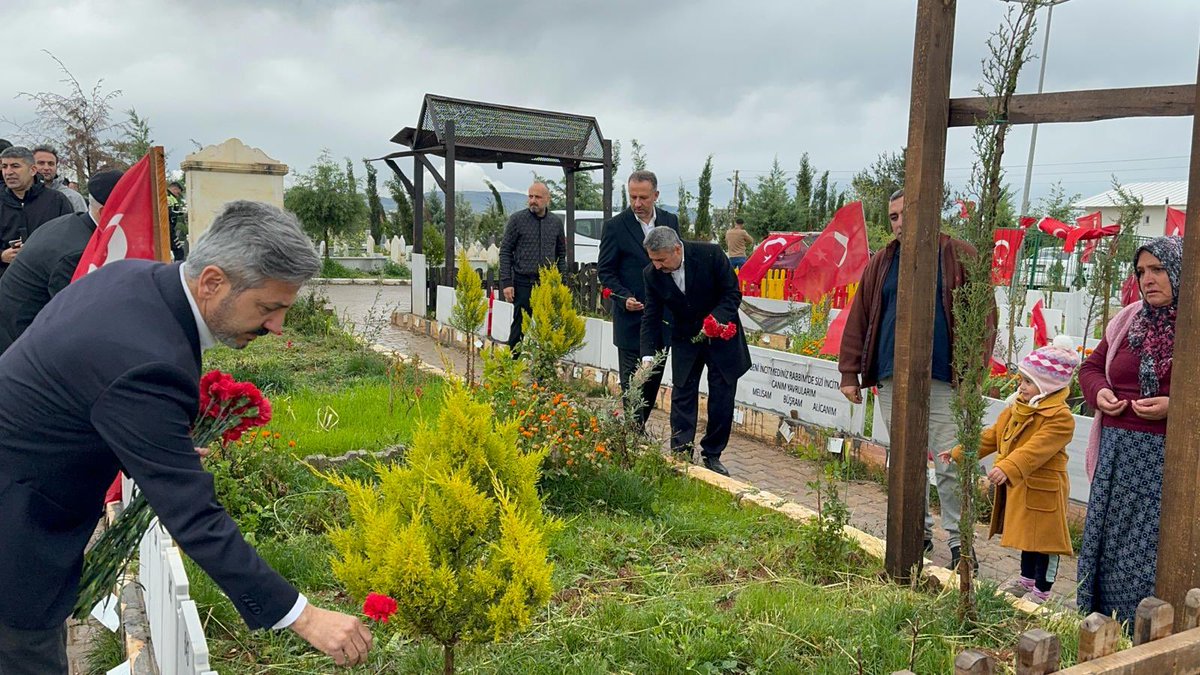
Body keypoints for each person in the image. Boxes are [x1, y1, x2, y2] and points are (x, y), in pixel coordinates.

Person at [0, 201, 373, 671]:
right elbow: (194, 515)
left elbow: (72, 393)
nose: (277, 327)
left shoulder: (133, 279)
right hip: (16, 541)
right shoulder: (146, 360)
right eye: (269, 308)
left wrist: (152, 443)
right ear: (213, 282)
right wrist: (304, 616)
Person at [837, 188, 994, 571]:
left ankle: (960, 544)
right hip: (893, 379)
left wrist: (973, 371)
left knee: (951, 463)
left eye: (906, 213)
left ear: (930, 211)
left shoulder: (959, 254)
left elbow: (984, 316)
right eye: (893, 217)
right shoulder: (883, 261)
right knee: (906, 460)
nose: (900, 222)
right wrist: (849, 371)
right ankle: (915, 533)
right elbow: (860, 315)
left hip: (944, 379)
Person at [1076, 235, 1180, 630]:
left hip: (1165, 459)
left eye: (1158, 269)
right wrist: (1099, 392)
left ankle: (1146, 634)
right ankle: (1100, 631)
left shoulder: (1193, 325)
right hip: (1117, 456)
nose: (1148, 279)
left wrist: (1176, 406)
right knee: (1107, 547)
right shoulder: (1128, 319)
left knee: (1149, 551)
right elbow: (1090, 369)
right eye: (1141, 271)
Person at [941, 337, 1078, 604]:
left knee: (1046, 542)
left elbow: (1037, 449)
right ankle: (1026, 579)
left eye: (1028, 381)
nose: (1021, 386)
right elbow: (992, 436)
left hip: (1044, 489)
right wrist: (960, 452)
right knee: (1029, 535)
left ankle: (1043, 591)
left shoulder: (1060, 418)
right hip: (1023, 485)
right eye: (1022, 380)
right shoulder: (1017, 408)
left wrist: (1007, 466)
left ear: (1047, 385)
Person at [640, 226, 751, 477]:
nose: (657, 266)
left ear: (677, 249)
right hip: (685, 338)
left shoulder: (710, 255)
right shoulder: (652, 274)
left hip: (722, 335)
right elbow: (651, 316)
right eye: (653, 260)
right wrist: (647, 355)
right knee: (682, 395)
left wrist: (715, 320)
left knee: (722, 397)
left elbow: (732, 294)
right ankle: (681, 453)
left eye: (661, 260)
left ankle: (712, 454)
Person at [0, 168, 123, 354]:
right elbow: (77, 320)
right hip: (21, 345)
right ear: (106, 212)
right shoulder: (77, 253)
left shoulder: (72, 224)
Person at [598, 171, 679, 427]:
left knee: (653, 377)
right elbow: (606, 272)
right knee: (632, 379)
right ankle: (633, 432)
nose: (637, 203)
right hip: (631, 318)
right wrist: (624, 299)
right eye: (632, 196)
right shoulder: (615, 226)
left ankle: (638, 428)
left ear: (655, 195)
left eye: (643, 197)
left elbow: (677, 262)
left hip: (662, 318)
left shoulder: (670, 221)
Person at [498, 182, 566, 350]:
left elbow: (561, 255)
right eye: (530, 196)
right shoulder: (517, 220)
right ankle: (511, 367)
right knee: (520, 327)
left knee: (546, 328)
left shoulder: (556, 223)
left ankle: (542, 372)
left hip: (547, 284)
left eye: (538, 197)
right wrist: (507, 282)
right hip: (523, 283)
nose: (533, 200)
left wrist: (561, 283)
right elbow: (505, 251)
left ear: (547, 199)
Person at [0, 146, 74, 281]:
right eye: (4, 166)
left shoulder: (57, 200)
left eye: (15, 166)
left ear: (32, 170)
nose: (8, 172)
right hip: (6, 284)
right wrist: (2, 256)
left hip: (47, 283)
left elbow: (71, 241)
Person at [31, 144, 87, 213]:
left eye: (51, 164)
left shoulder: (72, 197)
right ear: (31, 166)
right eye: (41, 163)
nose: (46, 168)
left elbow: (81, 223)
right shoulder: (22, 195)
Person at [167, 180, 189, 260]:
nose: (179, 195)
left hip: (170, 228)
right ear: (175, 189)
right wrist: (182, 212)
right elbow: (169, 212)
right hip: (168, 228)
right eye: (178, 192)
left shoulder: (172, 197)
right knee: (179, 251)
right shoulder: (168, 197)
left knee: (177, 250)